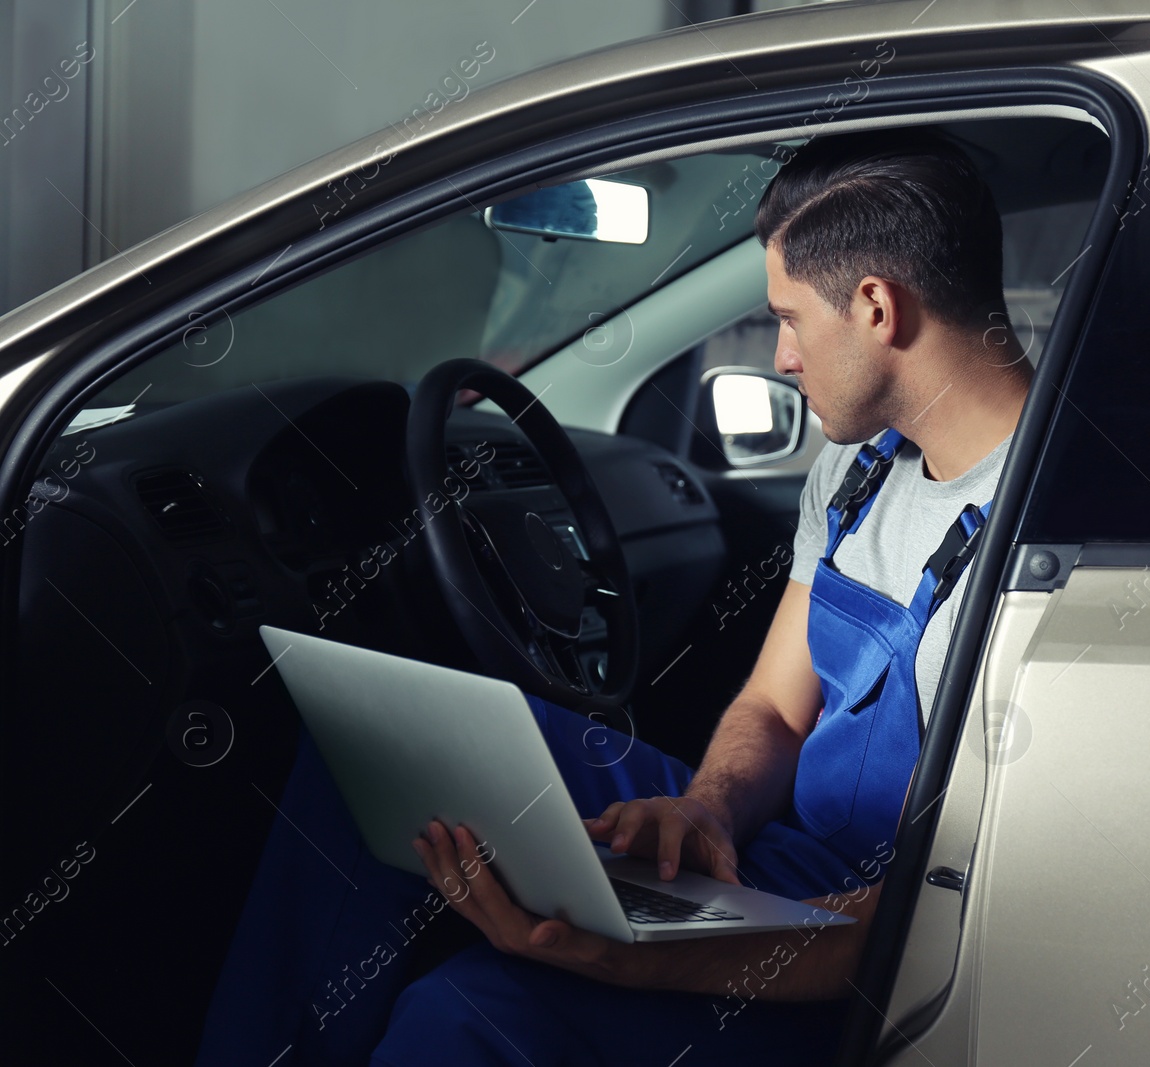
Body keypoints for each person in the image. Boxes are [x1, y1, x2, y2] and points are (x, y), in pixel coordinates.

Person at [195, 127, 1031, 1067]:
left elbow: (926, 929)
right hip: (789, 860)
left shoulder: (1049, 540)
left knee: (467, 1011)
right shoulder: (855, 469)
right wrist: (708, 810)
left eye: (791, 318)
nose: (783, 356)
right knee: (379, 760)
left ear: (877, 306)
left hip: (882, 937)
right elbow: (772, 706)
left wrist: (636, 960)